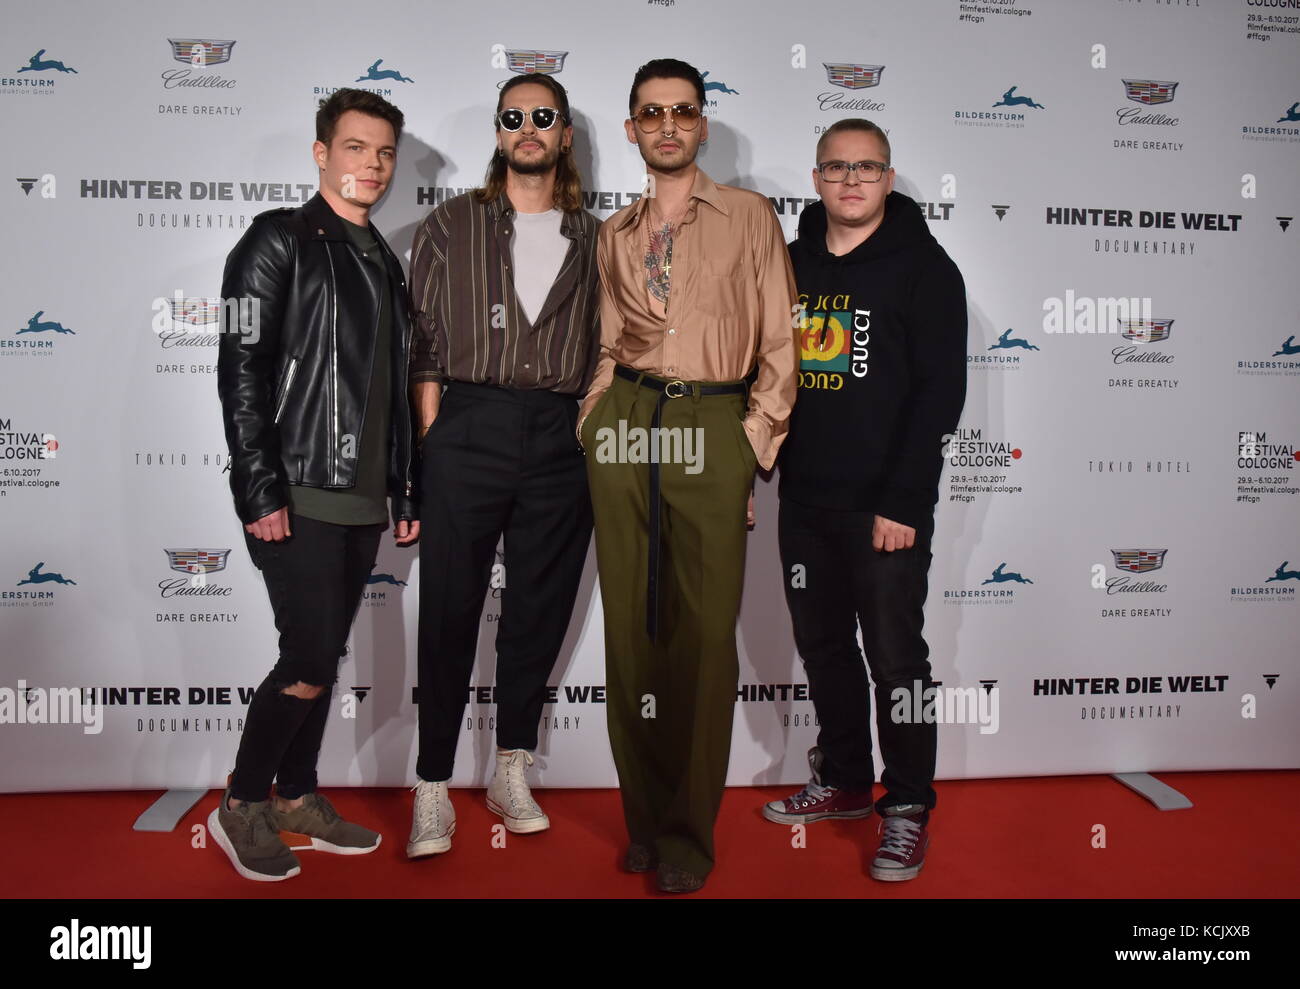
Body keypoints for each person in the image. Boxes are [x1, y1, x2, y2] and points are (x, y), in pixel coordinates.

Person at [579, 58, 797, 893]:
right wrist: (594, 419)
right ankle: (642, 818)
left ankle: (686, 836)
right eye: (650, 113)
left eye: (682, 111)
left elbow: (780, 343)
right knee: (632, 632)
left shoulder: (749, 216)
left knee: (704, 639)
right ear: (631, 129)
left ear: (702, 124)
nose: (667, 125)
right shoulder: (615, 232)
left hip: (712, 421)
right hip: (626, 423)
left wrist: (749, 442)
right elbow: (604, 344)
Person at [212, 89, 418, 881]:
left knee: (321, 657)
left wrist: (403, 490)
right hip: (296, 491)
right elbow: (239, 371)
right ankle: (241, 802)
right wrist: (258, 486)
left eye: (384, 152)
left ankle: (295, 794)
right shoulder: (275, 241)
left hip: (360, 500)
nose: (371, 164)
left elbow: (392, 391)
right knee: (305, 659)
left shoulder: (384, 260)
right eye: (356, 147)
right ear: (321, 152)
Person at [763, 118, 967, 882]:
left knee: (897, 659)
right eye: (837, 167)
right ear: (816, 177)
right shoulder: (787, 264)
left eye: (868, 167)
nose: (852, 181)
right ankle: (846, 779)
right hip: (804, 503)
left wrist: (905, 502)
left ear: (889, 177)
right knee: (823, 650)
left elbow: (939, 393)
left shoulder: (926, 270)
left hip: (886, 507)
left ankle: (908, 802)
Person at [405, 72, 600, 857]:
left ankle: (510, 766)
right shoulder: (452, 224)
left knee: (538, 611)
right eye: (513, 116)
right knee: (449, 609)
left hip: (560, 434)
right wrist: (434, 442)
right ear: (497, 132)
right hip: (468, 425)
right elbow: (423, 343)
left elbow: (613, 344)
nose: (528, 127)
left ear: (563, 135)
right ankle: (431, 784)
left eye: (543, 117)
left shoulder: (597, 236)